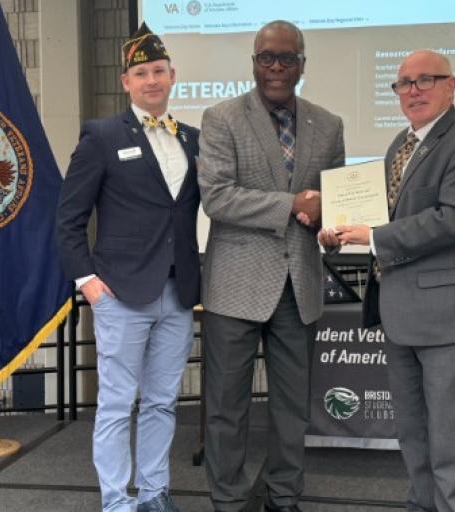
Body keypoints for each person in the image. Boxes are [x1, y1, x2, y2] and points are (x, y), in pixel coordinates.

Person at [320, 50, 455, 512]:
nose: (413, 90)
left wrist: (374, 236)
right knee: (413, 431)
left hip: (446, 315)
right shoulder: (401, 144)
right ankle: (421, 505)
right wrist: (338, 228)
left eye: (425, 80)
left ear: (451, 85)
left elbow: (454, 219)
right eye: (404, 83)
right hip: (399, 311)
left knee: (449, 436)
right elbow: (381, 217)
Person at [198, 20, 345, 512]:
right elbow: (217, 198)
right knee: (225, 407)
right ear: (254, 62)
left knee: (292, 409)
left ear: (303, 63)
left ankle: (284, 498)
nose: (277, 67)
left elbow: (335, 204)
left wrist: (335, 229)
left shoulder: (329, 125)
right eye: (267, 58)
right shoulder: (221, 118)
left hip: (299, 283)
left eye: (287, 58)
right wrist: (291, 204)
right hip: (234, 286)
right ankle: (229, 500)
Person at [56, 23, 200, 512]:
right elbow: (68, 218)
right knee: (117, 405)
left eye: (159, 70)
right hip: (120, 293)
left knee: (162, 402)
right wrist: (87, 282)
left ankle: (155, 494)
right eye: (141, 73)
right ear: (126, 82)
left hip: (178, 293)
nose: (151, 80)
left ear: (173, 75)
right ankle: (117, 503)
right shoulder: (101, 136)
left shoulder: (194, 139)